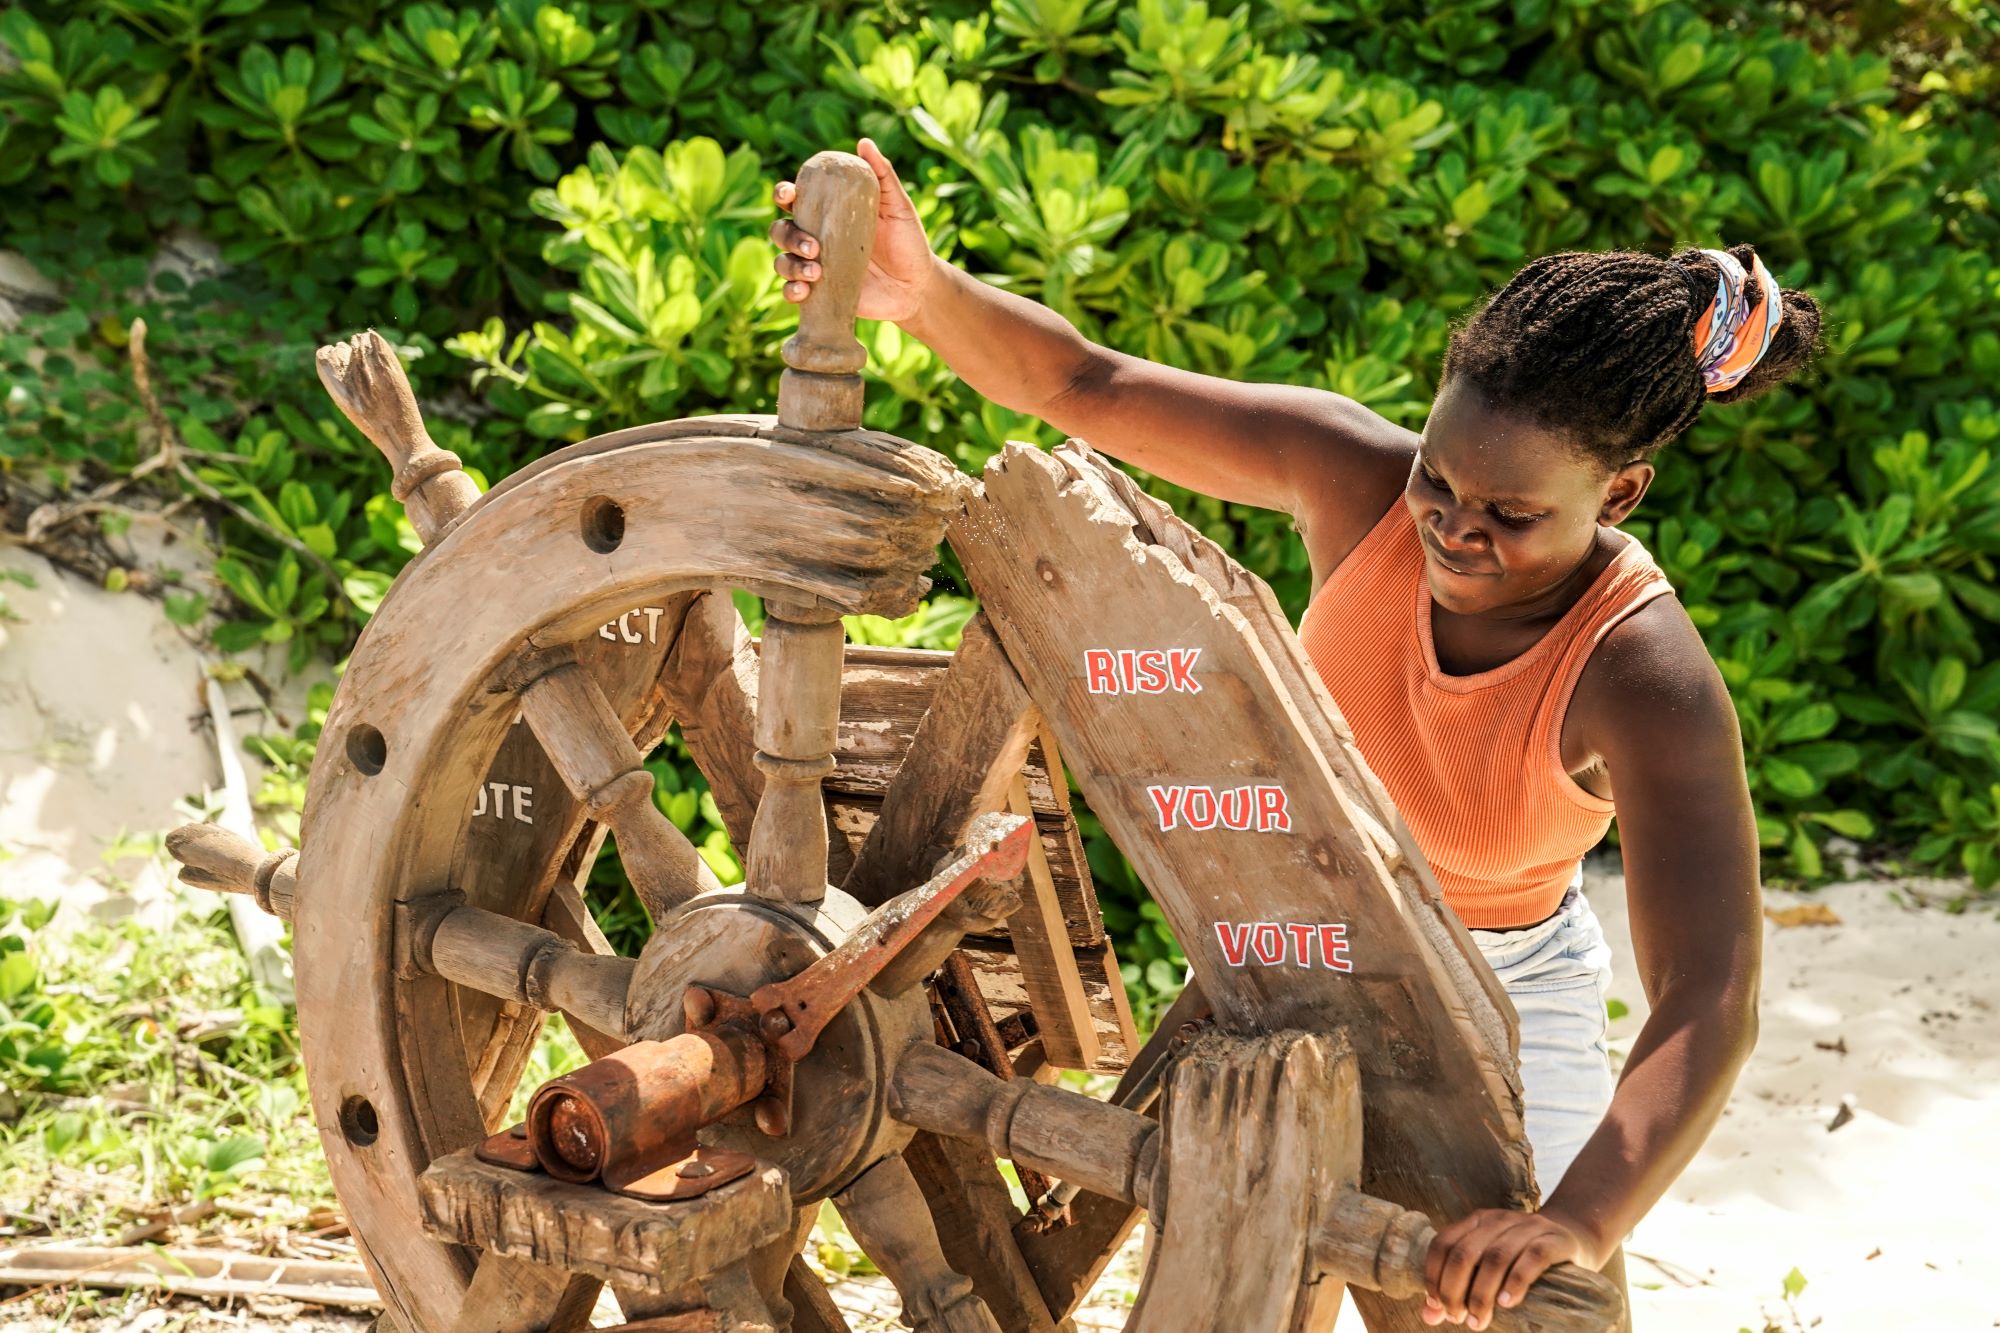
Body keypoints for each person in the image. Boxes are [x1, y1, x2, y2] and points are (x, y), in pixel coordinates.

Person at [772, 139, 1814, 1330]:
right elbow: (1087, 385)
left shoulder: (1640, 672)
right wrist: (922, 292)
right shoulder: (1357, 483)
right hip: (1289, 937)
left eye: (1510, 516)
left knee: (1533, 1300)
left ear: (1616, 497)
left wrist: (1575, 1218)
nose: (1452, 531)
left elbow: (1707, 989)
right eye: (1438, 482)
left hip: (1503, 989)